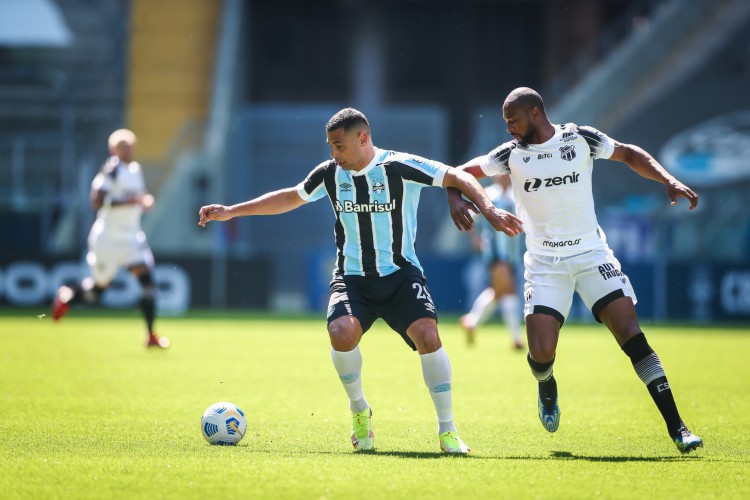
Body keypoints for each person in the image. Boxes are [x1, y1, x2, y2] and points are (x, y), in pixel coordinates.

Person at [198, 107, 523, 454]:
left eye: (339, 146)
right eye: (330, 147)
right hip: (353, 278)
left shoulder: (399, 166)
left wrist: (488, 210)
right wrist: (232, 210)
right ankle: (359, 410)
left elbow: (458, 177)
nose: (333, 154)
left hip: (400, 274)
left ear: (363, 138)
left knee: (428, 335)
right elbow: (292, 197)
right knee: (341, 333)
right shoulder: (329, 174)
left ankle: (447, 430)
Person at [447, 87, 703, 454]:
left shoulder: (581, 138)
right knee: (541, 353)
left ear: (535, 113)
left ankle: (679, 428)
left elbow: (630, 153)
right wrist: (455, 196)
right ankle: (546, 384)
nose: (509, 130)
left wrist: (669, 180)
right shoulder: (510, 155)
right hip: (545, 266)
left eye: (513, 122)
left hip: (592, 256)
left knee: (631, 334)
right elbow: (459, 173)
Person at [52, 129, 168, 349]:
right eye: (122, 145)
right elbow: (96, 201)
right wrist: (130, 202)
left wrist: (145, 200)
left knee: (148, 284)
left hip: (132, 238)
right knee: (96, 292)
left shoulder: (134, 170)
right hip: (108, 239)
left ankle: (151, 335)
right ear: (112, 149)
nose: (128, 149)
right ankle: (67, 296)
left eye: (130, 145)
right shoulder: (111, 170)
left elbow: (137, 196)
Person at [460, 174, 524, 349]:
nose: (504, 177)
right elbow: (471, 219)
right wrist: (476, 238)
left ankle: (472, 320)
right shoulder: (487, 195)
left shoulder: (515, 196)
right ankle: (517, 339)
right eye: (501, 174)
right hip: (495, 251)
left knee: (499, 292)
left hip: (511, 252)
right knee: (509, 289)